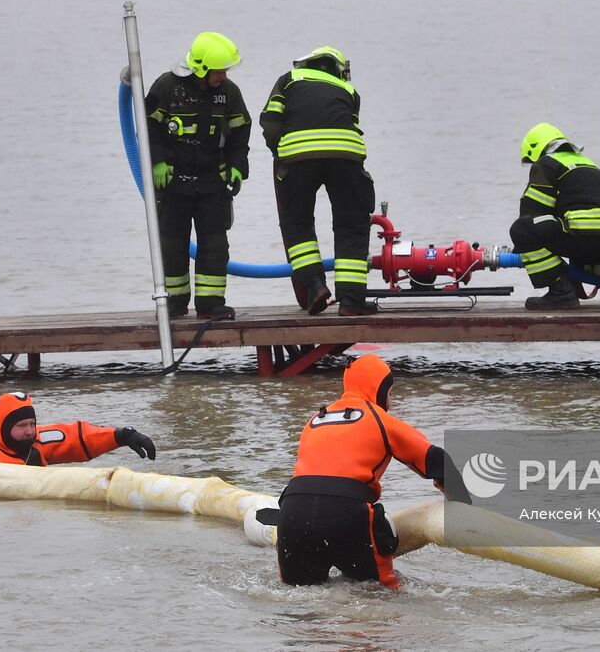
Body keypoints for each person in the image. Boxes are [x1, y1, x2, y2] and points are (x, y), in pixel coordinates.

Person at [272, 354, 472, 589]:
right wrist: (464, 505)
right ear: (377, 389)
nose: (391, 400)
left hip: (292, 515)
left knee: (298, 598)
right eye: (390, 393)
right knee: (379, 595)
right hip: (346, 516)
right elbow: (435, 459)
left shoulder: (316, 419)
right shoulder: (379, 418)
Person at [260, 46, 376, 316]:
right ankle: (351, 302)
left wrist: (279, 151)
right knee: (351, 225)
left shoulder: (288, 80)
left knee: (297, 224)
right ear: (337, 69)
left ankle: (314, 286)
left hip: (298, 159)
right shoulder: (349, 90)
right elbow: (351, 125)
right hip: (345, 157)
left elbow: (270, 121)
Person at [145, 32, 251, 321]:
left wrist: (238, 165)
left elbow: (241, 132)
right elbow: (148, 128)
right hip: (173, 183)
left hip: (213, 183)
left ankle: (211, 303)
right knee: (172, 244)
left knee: (215, 244)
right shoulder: (166, 87)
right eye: (219, 71)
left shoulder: (229, 93)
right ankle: (174, 303)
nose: (224, 76)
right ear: (202, 69)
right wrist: (158, 163)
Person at [510, 123, 600, 310]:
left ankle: (561, 292)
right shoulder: (586, 162)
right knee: (585, 254)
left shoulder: (546, 163)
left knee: (522, 229)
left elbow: (532, 211)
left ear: (535, 149)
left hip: (585, 231)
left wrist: (523, 248)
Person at [0, 391, 157, 466]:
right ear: (4, 427)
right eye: (21, 426)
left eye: (32, 424)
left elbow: (78, 437)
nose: (29, 431)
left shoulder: (38, 441)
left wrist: (124, 435)